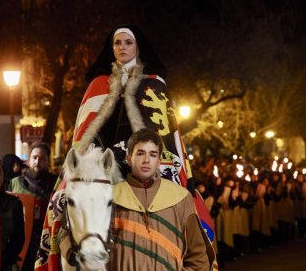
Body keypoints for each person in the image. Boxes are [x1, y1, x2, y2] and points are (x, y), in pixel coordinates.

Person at [35, 25, 215, 270]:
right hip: (102, 161)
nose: (123, 48)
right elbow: (85, 135)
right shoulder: (97, 85)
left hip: (150, 157)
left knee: (184, 199)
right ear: (112, 48)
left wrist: (143, 155)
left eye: (128, 43)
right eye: (118, 43)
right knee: (61, 202)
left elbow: (167, 133)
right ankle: (64, 252)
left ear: (137, 47)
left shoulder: (155, 84)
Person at [111, 128, 216, 270]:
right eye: (140, 153)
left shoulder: (180, 197)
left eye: (153, 155)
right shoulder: (110, 197)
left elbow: (198, 256)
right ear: (129, 159)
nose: (146, 160)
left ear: (159, 161)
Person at [11, 142, 56, 271]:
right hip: (22, 240)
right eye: (34, 157)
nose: (37, 161)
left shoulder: (56, 183)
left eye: (42, 158)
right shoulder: (16, 183)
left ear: (48, 161)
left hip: (46, 238)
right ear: (29, 160)